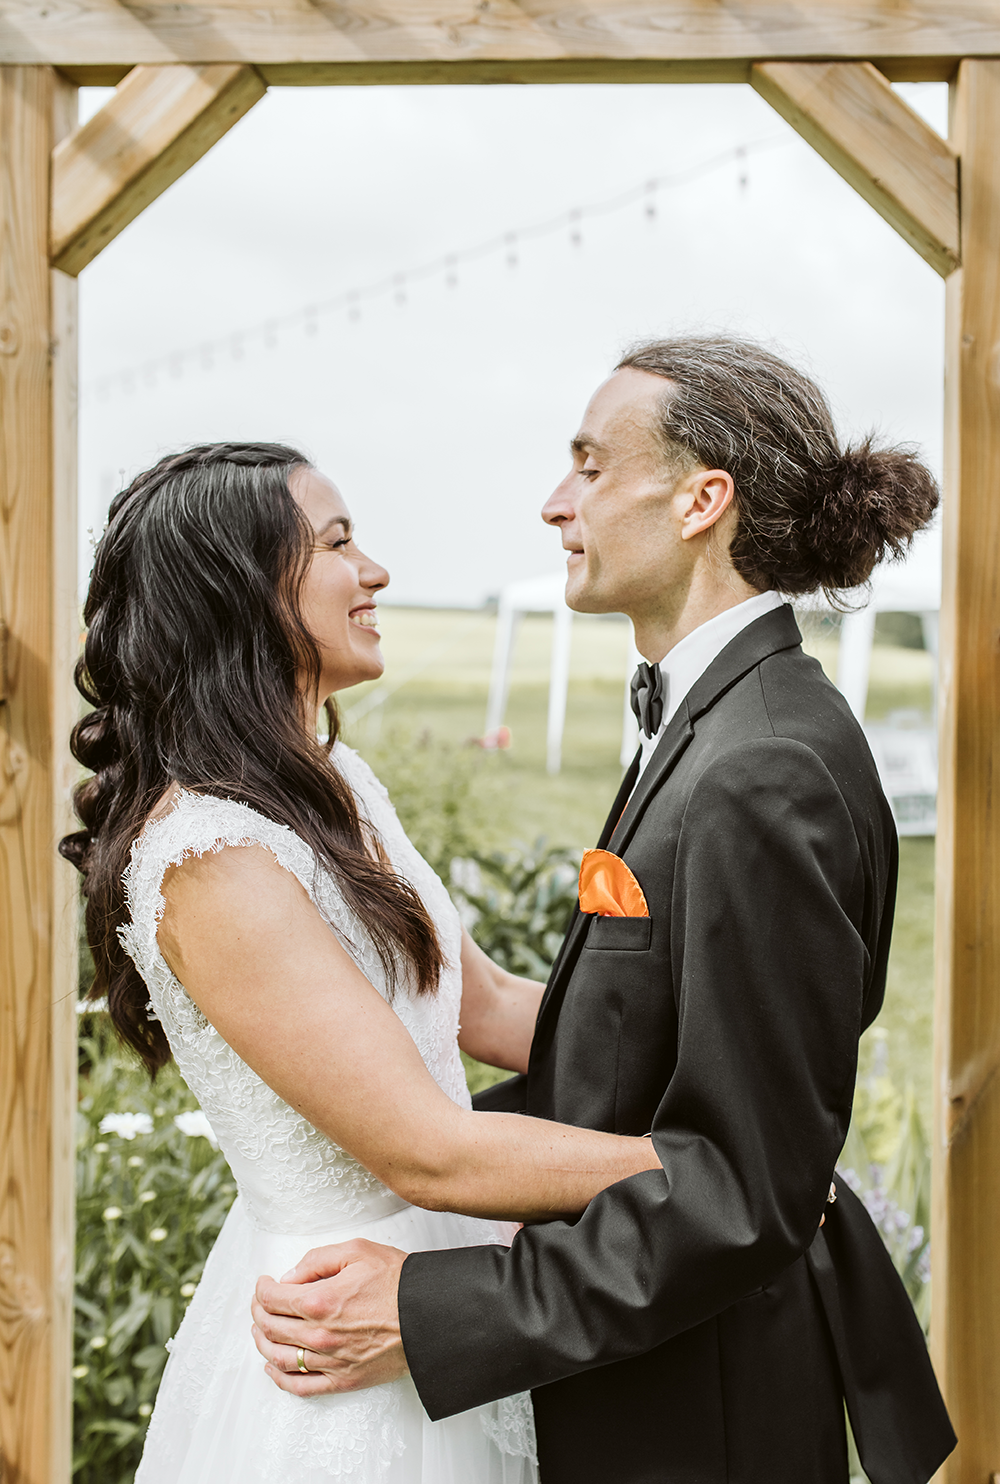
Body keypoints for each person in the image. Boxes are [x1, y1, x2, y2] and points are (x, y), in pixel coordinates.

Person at [250, 337, 956, 1484]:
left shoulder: (760, 766)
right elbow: (642, 1054)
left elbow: (739, 1190)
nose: (552, 502)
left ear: (700, 501)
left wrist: (436, 1309)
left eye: (588, 464)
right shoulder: (717, 726)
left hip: (699, 1408)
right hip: (653, 1363)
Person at [61, 441, 667, 1484]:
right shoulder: (215, 861)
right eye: (339, 543)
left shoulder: (334, 780)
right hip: (337, 1341)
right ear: (238, 593)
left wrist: (727, 1045)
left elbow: (485, 1007)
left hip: (434, 1295)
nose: (376, 572)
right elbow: (427, 1152)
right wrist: (714, 1175)